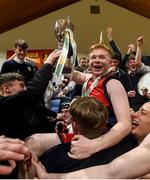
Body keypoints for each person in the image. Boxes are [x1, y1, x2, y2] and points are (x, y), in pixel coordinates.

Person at [32, 102, 150, 179]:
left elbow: (111, 173)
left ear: (74, 124)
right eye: (137, 110)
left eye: (143, 113)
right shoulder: (119, 138)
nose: (134, 114)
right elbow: (110, 172)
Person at [66, 43, 132, 159]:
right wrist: (64, 51)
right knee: (35, 141)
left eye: (102, 57)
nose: (97, 60)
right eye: (93, 57)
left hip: (99, 141)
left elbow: (125, 124)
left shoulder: (113, 84)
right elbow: (68, 73)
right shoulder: (89, 79)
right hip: (81, 134)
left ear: (110, 62)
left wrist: (94, 145)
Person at [0, 49, 60, 140]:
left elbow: (37, 107)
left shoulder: (22, 103)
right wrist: (48, 62)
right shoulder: (2, 103)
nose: (25, 89)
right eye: (22, 86)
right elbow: (33, 93)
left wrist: (57, 116)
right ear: (6, 88)